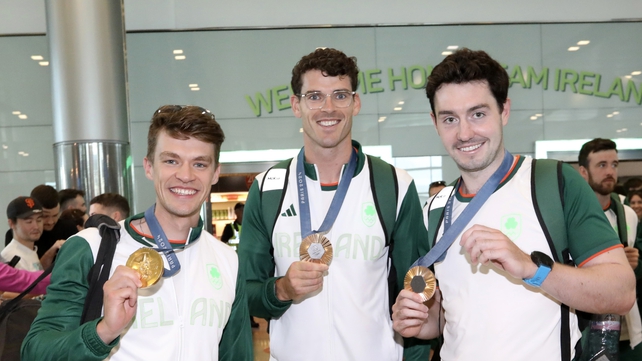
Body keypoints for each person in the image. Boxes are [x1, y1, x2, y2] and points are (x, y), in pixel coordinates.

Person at [391, 48, 635, 361]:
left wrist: (530, 268)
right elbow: (445, 315)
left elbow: (621, 291)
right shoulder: (436, 207)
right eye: (450, 118)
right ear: (435, 123)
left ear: (504, 110)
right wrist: (417, 318)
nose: (465, 133)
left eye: (478, 114)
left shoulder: (552, 182)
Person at [239, 48, 431, 360]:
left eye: (340, 95)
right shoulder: (266, 190)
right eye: (314, 96)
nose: (328, 108)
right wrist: (282, 289)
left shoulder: (395, 184)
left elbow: (418, 293)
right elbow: (245, 292)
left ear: (355, 103)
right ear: (296, 105)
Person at [22, 105, 253, 361]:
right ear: (149, 167)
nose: (185, 175)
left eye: (199, 164)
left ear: (215, 174)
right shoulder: (91, 247)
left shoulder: (228, 260)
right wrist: (104, 331)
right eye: (171, 161)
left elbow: (236, 354)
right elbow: (36, 351)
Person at [578, 138, 642, 359]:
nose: (610, 171)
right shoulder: (572, 216)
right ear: (583, 172)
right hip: (586, 327)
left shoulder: (628, 214)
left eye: (614, 164)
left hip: (629, 330)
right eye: (601, 165)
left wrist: (635, 264)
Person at [2, 196, 46, 271]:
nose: (36, 227)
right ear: (11, 223)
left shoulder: (29, 251)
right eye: (29, 222)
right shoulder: (11, 257)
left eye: (39, 220)